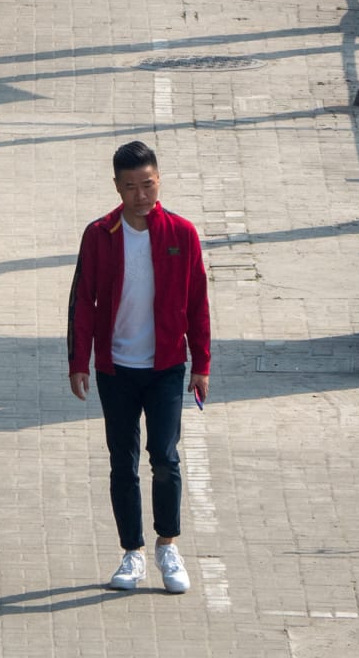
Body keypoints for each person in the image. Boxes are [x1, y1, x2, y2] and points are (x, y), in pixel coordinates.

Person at [67, 141, 212, 594]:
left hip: (167, 368)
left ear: (158, 181)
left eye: (147, 185)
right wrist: (79, 361)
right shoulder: (98, 235)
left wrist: (201, 364)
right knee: (122, 463)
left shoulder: (181, 234)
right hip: (116, 370)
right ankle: (132, 553)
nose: (141, 195)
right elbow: (82, 302)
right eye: (130, 187)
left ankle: (168, 545)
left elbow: (198, 303)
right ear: (117, 187)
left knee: (165, 459)